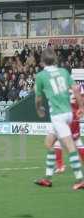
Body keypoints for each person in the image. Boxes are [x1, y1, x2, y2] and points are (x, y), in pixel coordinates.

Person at [34, 48, 84, 190]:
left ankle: (80, 179)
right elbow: (75, 89)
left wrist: (39, 109)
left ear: (42, 61)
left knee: (69, 145)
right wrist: (81, 107)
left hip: (58, 116)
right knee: (49, 142)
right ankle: (47, 179)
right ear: (55, 60)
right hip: (68, 113)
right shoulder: (64, 72)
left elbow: (38, 98)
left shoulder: (41, 76)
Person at [54, 83, 84, 173]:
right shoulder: (79, 87)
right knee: (76, 141)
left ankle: (60, 166)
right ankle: (60, 166)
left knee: (58, 142)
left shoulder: (62, 88)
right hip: (75, 116)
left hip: (66, 115)